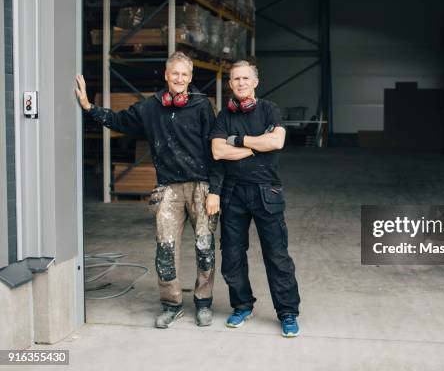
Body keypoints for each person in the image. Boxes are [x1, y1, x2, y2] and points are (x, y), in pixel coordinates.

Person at [75, 51, 221, 329]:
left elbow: (214, 150)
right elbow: (118, 121)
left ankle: (203, 302)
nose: (179, 79)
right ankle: (171, 304)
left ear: (190, 78)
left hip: (201, 186)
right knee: (165, 250)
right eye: (174, 73)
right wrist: (88, 107)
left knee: (205, 248)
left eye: (184, 75)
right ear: (166, 76)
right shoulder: (150, 107)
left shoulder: (202, 105)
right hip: (168, 188)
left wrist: (215, 190)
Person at [210, 60, 301, 338]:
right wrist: (254, 146)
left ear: (255, 82)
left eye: (245, 78)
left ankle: (287, 312)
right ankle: (241, 305)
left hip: (266, 191)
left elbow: (276, 142)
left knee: (276, 255)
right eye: (236, 79)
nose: (240, 83)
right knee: (233, 255)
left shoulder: (269, 109)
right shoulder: (223, 116)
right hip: (233, 193)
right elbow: (216, 151)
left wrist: (236, 141)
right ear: (230, 84)